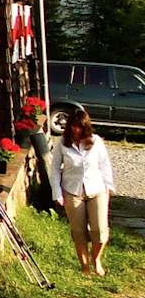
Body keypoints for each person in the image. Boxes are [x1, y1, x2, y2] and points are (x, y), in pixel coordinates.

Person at [48, 109, 115, 275]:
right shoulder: (62, 144)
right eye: (73, 126)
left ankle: (96, 259)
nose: (75, 130)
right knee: (78, 232)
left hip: (97, 189)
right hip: (72, 191)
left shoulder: (96, 142)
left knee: (99, 230)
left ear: (85, 127)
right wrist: (57, 193)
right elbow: (55, 169)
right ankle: (84, 266)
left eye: (79, 127)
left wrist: (109, 186)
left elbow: (105, 165)